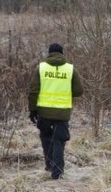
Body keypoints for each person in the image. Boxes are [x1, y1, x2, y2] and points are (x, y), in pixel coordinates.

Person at [28, 42, 83, 179]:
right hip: (62, 112)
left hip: (44, 112)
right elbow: (79, 91)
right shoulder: (70, 69)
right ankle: (57, 172)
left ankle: (49, 165)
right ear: (62, 53)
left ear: (49, 53)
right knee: (59, 140)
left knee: (46, 138)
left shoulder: (41, 68)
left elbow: (33, 91)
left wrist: (32, 110)